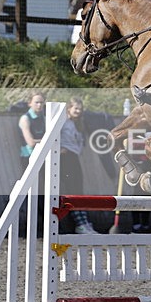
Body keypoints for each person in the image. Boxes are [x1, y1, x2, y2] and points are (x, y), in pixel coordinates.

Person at [60, 97, 98, 234]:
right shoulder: (63, 121)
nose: (78, 111)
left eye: (80, 109)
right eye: (75, 108)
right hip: (65, 157)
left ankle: (84, 222)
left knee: (78, 190)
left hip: (74, 156)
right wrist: (59, 149)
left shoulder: (78, 123)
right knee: (72, 190)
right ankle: (79, 223)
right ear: (69, 108)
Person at [18, 91, 46, 173]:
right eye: (36, 102)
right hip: (28, 155)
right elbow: (31, 142)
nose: (39, 105)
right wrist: (48, 140)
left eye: (41, 102)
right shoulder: (25, 119)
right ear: (30, 103)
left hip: (42, 155)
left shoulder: (44, 118)